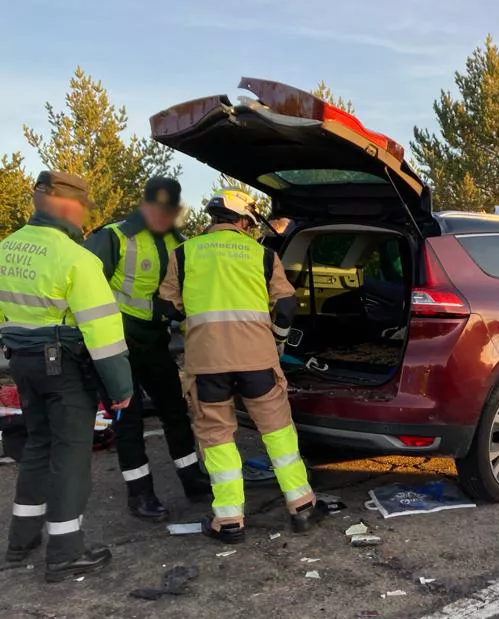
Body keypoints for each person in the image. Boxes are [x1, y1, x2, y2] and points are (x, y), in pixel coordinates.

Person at [157, 189, 323, 543]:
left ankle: (229, 521)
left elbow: (167, 308)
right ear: (245, 221)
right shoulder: (263, 255)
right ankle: (302, 507)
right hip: (258, 362)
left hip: (207, 364)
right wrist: (276, 341)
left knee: (217, 438)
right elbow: (287, 305)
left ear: (213, 218)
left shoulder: (183, 255)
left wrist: (195, 319)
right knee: (277, 431)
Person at [0, 172, 133, 581]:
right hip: (62, 366)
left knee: (38, 444)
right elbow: (102, 332)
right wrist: (121, 387)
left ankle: (20, 540)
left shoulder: (6, 248)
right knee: (72, 455)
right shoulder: (76, 258)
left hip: (21, 361)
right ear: (67, 205)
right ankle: (65, 551)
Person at [84, 177, 210, 520]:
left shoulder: (177, 242)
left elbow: (186, 296)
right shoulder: (112, 237)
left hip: (154, 342)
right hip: (115, 345)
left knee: (174, 409)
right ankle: (139, 494)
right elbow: (84, 292)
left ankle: (192, 478)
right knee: (129, 420)